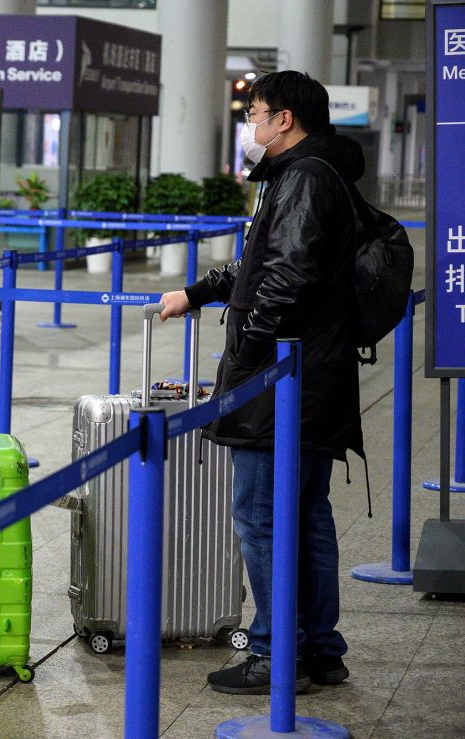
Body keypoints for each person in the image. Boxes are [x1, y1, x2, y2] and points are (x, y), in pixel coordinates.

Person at [160, 71, 363, 695]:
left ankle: (275, 653)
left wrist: (248, 361)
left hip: (284, 378)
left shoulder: (301, 178)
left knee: (259, 514)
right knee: (306, 511)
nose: (249, 124)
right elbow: (259, 264)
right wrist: (196, 292)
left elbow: (284, 278)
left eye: (255, 113)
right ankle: (321, 648)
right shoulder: (314, 173)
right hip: (318, 372)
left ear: (285, 121)